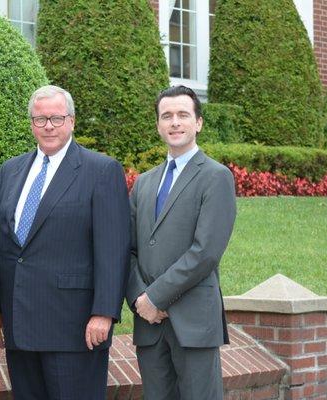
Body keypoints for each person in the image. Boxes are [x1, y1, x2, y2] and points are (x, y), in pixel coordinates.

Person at [0, 85, 130, 399]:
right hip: (19, 323)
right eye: (40, 119)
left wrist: (104, 312)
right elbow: (0, 244)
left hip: (74, 326)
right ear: (31, 124)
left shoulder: (101, 170)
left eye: (56, 118)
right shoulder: (10, 171)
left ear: (72, 121)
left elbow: (113, 249)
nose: (48, 126)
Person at [127, 85, 236, 400]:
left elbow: (205, 253)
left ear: (198, 123)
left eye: (183, 115)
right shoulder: (144, 183)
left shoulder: (216, 177)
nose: (175, 122)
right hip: (149, 325)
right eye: (167, 116)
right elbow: (128, 250)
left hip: (193, 324)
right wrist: (139, 300)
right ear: (159, 125)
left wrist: (155, 297)